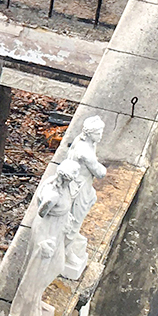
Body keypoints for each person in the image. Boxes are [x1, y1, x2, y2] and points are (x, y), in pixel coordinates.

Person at [7, 159, 81, 316]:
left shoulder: (63, 189)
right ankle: (29, 313)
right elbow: (42, 213)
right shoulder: (53, 193)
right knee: (36, 274)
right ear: (66, 178)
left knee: (56, 267)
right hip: (46, 235)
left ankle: (36, 301)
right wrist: (43, 242)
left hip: (55, 233)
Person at [63, 116, 107, 278]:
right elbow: (100, 172)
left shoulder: (83, 141)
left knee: (85, 208)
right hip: (78, 189)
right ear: (90, 133)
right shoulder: (85, 152)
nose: (101, 135)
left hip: (84, 186)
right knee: (74, 220)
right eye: (99, 132)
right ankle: (67, 252)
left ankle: (71, 242)